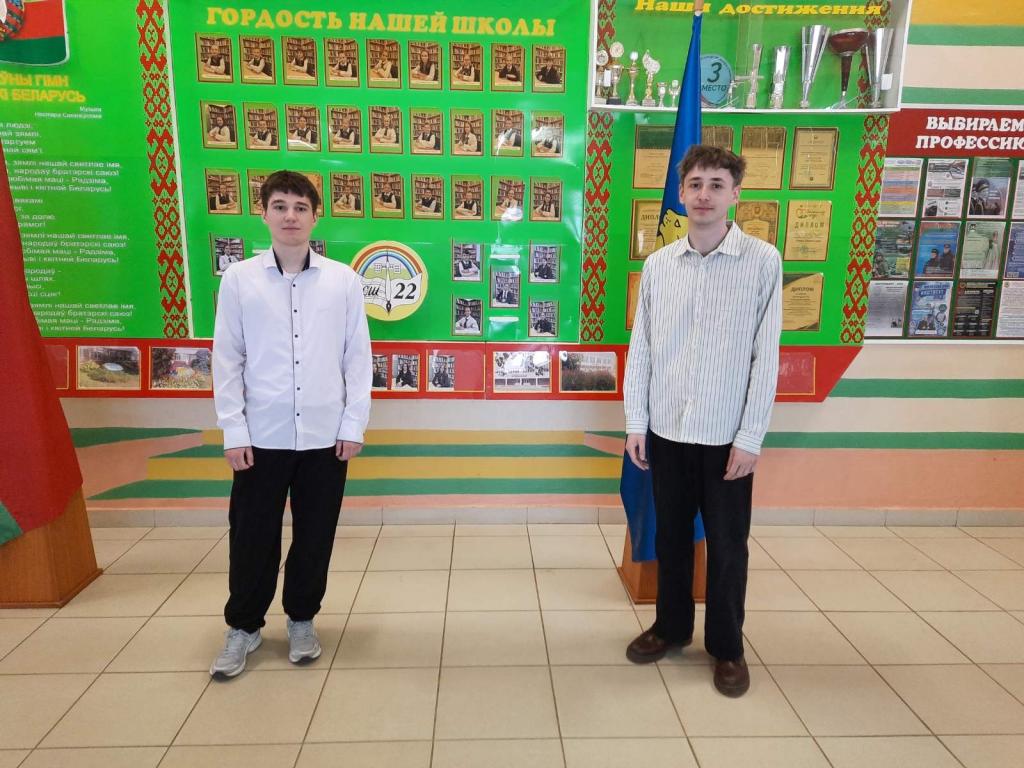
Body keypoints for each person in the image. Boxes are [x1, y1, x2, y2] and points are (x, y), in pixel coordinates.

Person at [622, 145, 782, 698]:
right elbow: (642, 348)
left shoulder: (762, 261)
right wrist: (636, 422)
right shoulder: (659, 265)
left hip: (725, 438)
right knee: (670, 536)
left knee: (728, 546)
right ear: (681, 193)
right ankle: (670, 627)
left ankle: (727, 647)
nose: (704, 195)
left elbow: (765, 358)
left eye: (717, 184)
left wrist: (751, 438)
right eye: (695, 184)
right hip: (667, 431)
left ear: (736, 194)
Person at [211, 170, 372, 679]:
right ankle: (244, 626)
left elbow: (357, 358)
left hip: (326, 436)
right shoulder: (240, 280)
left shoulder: (343, 281)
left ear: (315, 216)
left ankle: (302, 618)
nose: (290, 216)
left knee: (315, 534)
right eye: (279, 206)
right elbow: (227, 359)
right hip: (261, 436)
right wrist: (233, 429)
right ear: (263, 213)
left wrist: (353, 424)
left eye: (300, 207)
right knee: (251, 535)